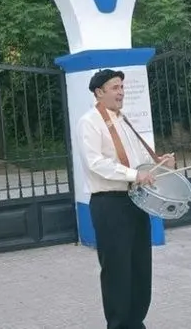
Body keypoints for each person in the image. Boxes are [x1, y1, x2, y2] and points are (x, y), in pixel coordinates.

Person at [77, 69, 175, 329]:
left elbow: (137, 162)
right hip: (110, 204)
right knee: (117, 270)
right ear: (99, 92)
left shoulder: (124, 120)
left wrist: (159, 164)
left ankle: (136, 322)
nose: (121, 92)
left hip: (135, 201)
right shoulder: (89, 122)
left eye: (121, 87)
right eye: (114, 88)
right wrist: (134, 175)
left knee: (140, 267)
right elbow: (96, 163)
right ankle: (119, 325)